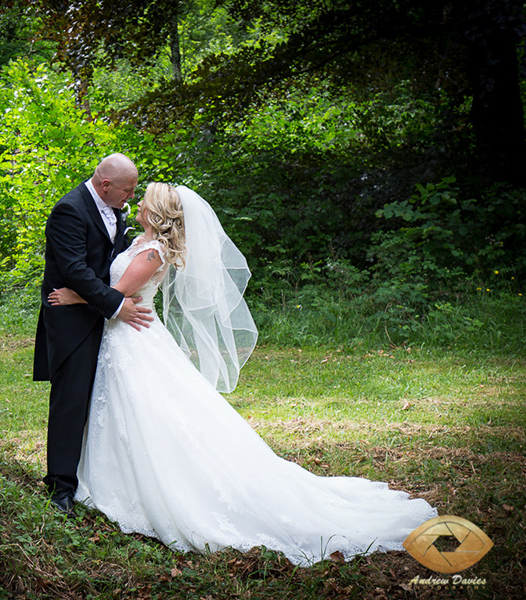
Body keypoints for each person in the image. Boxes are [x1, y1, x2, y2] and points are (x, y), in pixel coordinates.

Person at [47, 182, 437, 565]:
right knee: (126, 413)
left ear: (156, 212)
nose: (136, 203)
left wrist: (74, 295)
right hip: (124, 337)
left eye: (143, 199)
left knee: (149, 415)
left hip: (134, 339)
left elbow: (119, 291)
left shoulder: (152, 251)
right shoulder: (140, 242)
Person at [33, 153, 153, 516]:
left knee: (107, 401)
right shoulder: (69, 210)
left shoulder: (115, 208)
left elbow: (109, 268)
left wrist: (96, 299)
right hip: (73, 322)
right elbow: (74, 268)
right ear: (106, 185)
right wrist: (116, 305)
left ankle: (103, 479)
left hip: (99, 315)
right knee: (71, 402)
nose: (130, 197)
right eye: (127, 190)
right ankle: (60, 487)